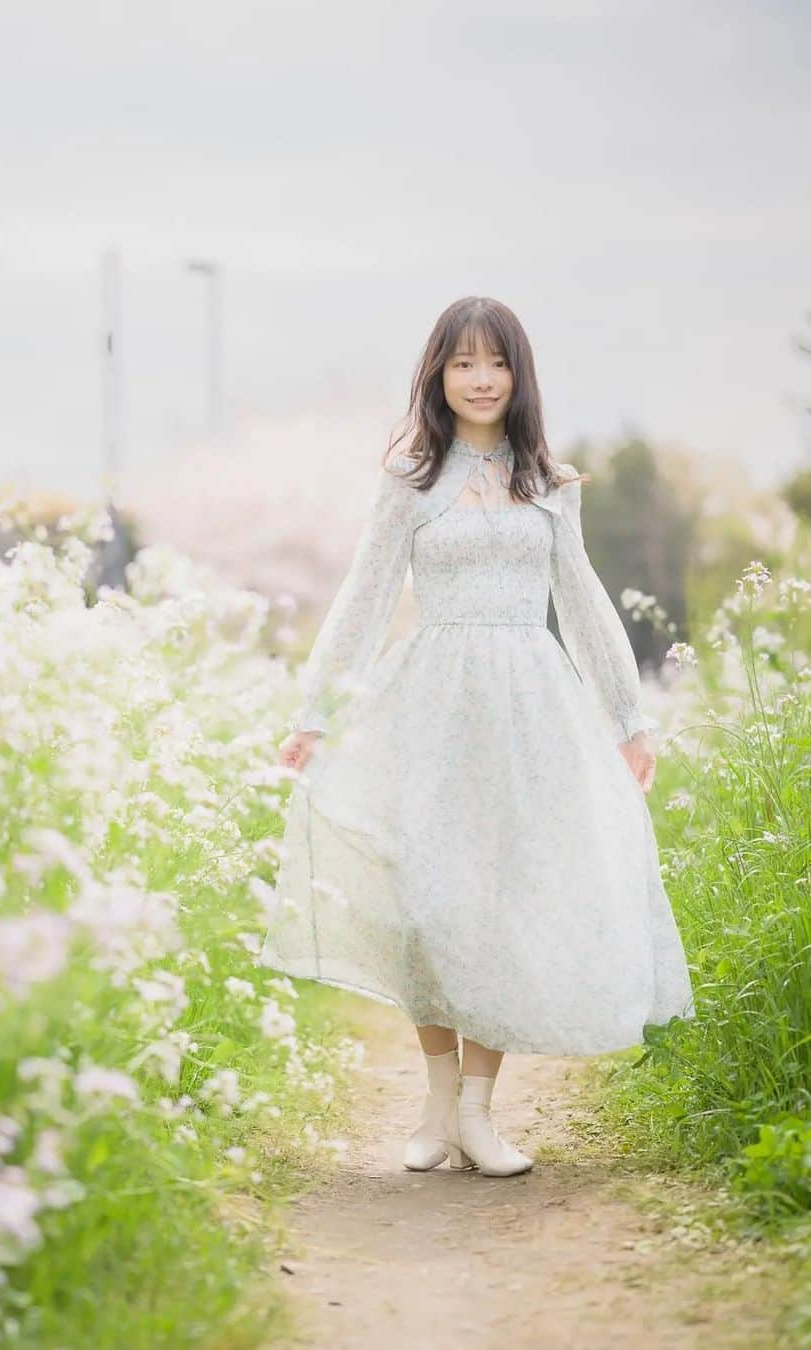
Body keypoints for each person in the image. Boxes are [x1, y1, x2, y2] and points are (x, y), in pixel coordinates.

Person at [258, 295, 696, 1179]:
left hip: (530, 711)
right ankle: (432, 1099)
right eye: (463, 363)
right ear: (439, 375)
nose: (481, 378)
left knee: (503, 900)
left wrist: (628, 719)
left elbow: (583, 603)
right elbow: (366, 597)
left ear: (518, 374)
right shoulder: (412, 481)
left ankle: (477, 1112)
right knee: (427, 900)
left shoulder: (552, 486)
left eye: (495, 362)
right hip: (429, 705)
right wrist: (316, 712)